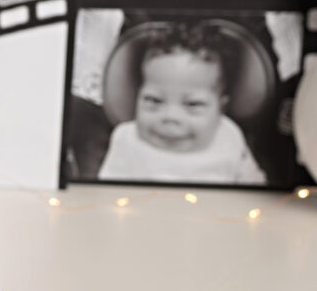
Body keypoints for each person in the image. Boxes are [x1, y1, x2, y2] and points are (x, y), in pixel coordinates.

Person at [98, 22, 267, 184]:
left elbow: (256, 191)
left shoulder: (228, 137)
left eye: (193, 104)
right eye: (154, 100)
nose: (171, 117)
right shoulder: (126, 140)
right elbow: (107, 194)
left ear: (220, 109)